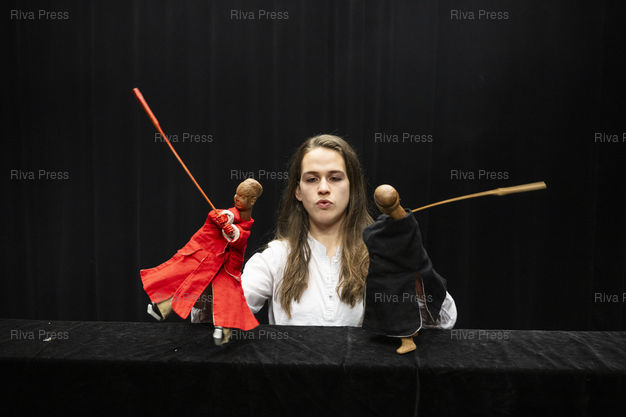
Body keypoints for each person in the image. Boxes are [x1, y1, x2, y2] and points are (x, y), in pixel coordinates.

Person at [241, 134, 457, 329]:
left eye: (335, 178)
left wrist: (414, 264)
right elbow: (228, 314)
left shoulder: (381, 256)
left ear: (353, 187)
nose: (323, 188)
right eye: (312, 179)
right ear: (298, 191)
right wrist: (222, 251)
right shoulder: (275, 257)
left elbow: (444, 320)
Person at [140, 178, 263, 345]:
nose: (236, 197)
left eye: (241, 196)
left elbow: (241, 238)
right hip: (208, 261)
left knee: (225, 297)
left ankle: (223, 330)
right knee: (187, 281)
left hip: (225, 268)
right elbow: (215, 216)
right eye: (236, 194)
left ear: (252, 201)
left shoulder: (246, 226)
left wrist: (234, 232)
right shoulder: (228, 214)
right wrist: (224, 219)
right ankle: (162, 309)